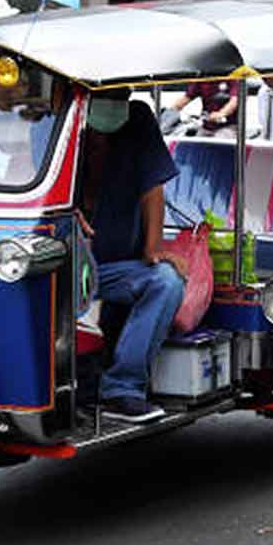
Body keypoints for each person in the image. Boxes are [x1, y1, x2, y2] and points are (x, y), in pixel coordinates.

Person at [81, 95, 188, 423]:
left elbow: (152, 188)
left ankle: (122, 388)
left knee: (166, 281)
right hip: (71, 258)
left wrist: (153, 247)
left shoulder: (138, 117)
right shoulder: (58, 113)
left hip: (115, 265)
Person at [168, 79, 239, 132]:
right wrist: (168, 112)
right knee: (192, 144)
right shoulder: (202, 79)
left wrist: (222, 113)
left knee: (219, 145)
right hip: (206, 126)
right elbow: (186, 98)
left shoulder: (231, 78)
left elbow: (234, 100)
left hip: (228, 126)